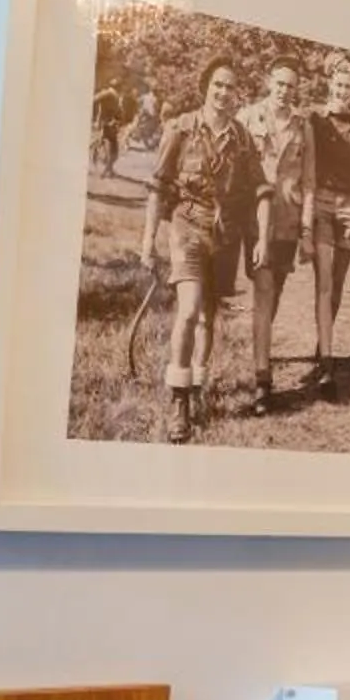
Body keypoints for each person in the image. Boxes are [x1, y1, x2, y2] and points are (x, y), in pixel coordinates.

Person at [139, 61, 262, 443]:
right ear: (206, 87)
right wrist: (148, 241)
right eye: (217, 85)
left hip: (224, 235)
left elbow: (257, 188)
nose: (224, 93)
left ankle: (198, 384)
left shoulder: (242, 138)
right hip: (187, 226)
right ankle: (179, 401)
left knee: (210, 317)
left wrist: (256, 238)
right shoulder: (181, 128)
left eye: (230, 87)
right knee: (189, 311)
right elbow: (158, 186)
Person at [234, 60, 311, 414]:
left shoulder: (302, 126)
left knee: (275, 291)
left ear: (296, 91)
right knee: (263, 291)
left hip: (288, 222)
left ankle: (261, 350)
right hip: (257, 220)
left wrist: (307, 229)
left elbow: (309, 183)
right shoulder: (248, 118)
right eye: (280, 84)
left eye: (291, 87)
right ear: (269, 82)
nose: (285, 91)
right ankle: (262, 379)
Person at [304, 59, 350, 388]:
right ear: (330, 85)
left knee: (339, 283)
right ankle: (328, 362)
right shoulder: (316, 119)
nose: (343, 91)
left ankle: (322, 345)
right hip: (322, 203)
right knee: (324, 281)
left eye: (349, 86)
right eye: (339, 85)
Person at [89, 79, 125, 177]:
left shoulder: (113, 94)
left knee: (111, 147)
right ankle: (106, 170)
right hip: (107, 123)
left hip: (110, 123)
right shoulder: (109, 93)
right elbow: (94, 99)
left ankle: (108, 169)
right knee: (110, 148)